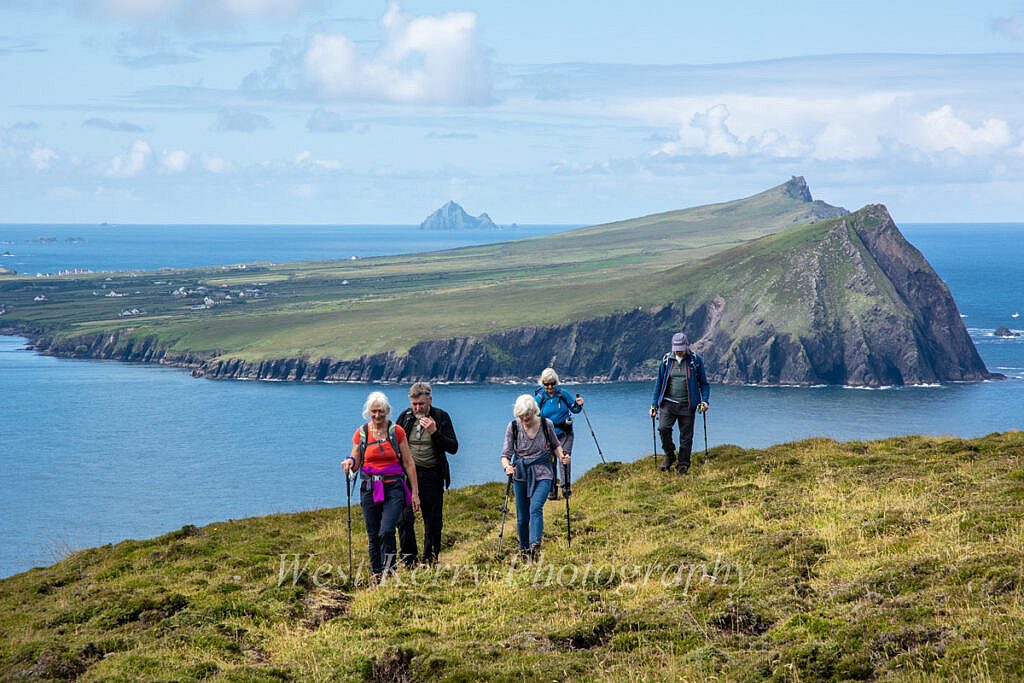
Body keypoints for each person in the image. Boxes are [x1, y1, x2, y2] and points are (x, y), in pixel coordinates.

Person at [342, 391, 420, 580]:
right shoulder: (362, 433)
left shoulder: (396, 431)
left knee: (386, 531)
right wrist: (349, 463)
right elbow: (356, 459)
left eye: (381, 412)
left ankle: (390, 573)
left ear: (387, 412)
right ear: (368, 412)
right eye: (374, 412)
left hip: (393, 487)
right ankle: (376, 573)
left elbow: (409, 463)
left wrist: (415, 494)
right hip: (369, 488)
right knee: (373, 534)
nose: (377, 416)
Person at [395, 382, 459, 566]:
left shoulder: (441, 416)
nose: (417, 408)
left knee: (432, 520)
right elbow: (395, 444)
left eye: (421, 404)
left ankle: (430, 559)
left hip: (432, 475)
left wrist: (435, 432)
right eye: (414, 404)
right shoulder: (405, 417)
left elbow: (453, 447)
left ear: (429, 400)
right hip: (407, 477)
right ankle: (408, 559)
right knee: (404, 517)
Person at [500, 394, 570, 559]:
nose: (524, 418)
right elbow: (505, 454)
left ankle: (535, 545)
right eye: (521, 415)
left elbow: (555, 445)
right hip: (521, 473)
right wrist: (507, 467)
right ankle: (524, 551)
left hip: (543, 472)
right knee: (522, 518)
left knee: (535, 507)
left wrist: (563, 457)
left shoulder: (546, 424)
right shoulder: (513, 427)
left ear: (534, 411)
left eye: (527, 415)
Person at [649, 332, 710, 474]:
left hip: (688, 404)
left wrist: (705, 401)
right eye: (676, 348)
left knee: (686, 436)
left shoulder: (696, 360)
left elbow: (704, 384)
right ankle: (670, 455)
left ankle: (683, 464)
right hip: (668, 403)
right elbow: (659, 384)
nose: (679, 351)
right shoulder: (666, 360)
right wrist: (654, 405)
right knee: (663, 429)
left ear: (686, 345)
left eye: (681, 348)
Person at [532, 368, 583, 501]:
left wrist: (579, 404)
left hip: (565, 433)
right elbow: (531, 414)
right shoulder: (539, 398)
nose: (550, 387)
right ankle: (552, 490)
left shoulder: (563, 394)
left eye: (552, 383)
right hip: (547, 436)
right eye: (546, 384)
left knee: (564, 458)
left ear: (556, 382)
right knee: (550, 463)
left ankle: (566, 488)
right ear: (542, 384)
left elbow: (575, 409)